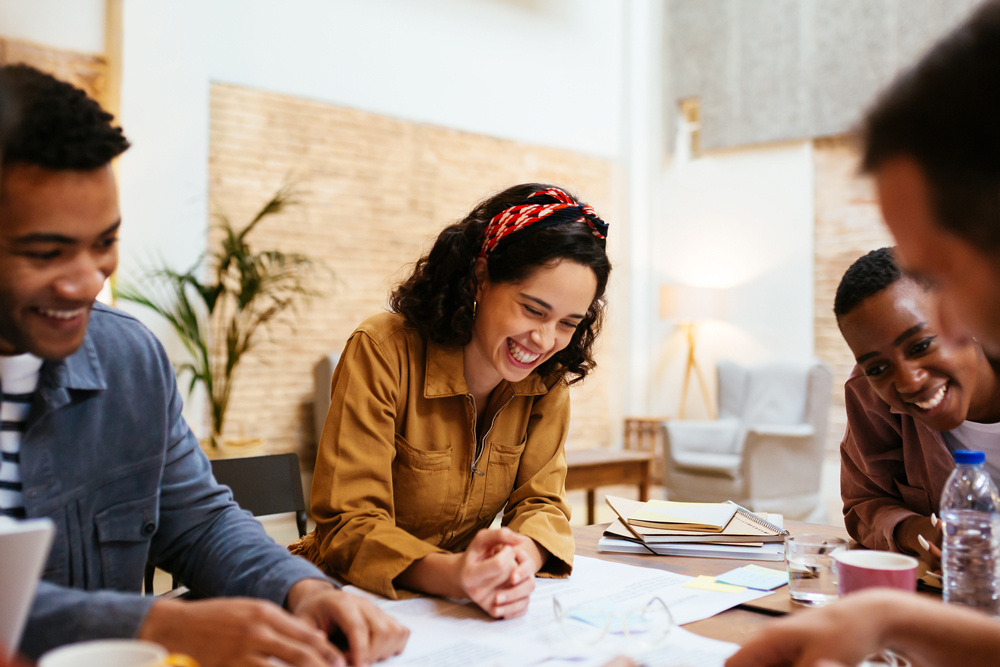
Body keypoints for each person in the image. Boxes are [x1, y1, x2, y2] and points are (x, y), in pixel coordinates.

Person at [0, 65, 407, 666]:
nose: (87, 282)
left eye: (105, 242)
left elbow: (199, 522)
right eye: (46, 252)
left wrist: (300, 589)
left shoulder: (129, 362)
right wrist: (160, 625)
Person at [727, 2, 1000, 665]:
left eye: (947, 269)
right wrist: (886, 615)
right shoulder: (877, 394)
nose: (950, 322)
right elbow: (863, 502)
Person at [291, 183, 611, 619]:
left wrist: (524, 556)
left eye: (568, 323)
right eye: (533, 310)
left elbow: (541, 502)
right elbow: (349, 525)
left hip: (458, 602)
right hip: (347, 596)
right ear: (481, 276)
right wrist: (455, 574)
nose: (544, 340)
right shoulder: (384, 350)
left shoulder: (546, 379)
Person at [834, 247, 1000, 563]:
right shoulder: (869, 395)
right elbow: (864, 503)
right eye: (877, 368)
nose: (909, 382)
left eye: (921, 345)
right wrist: (919, 533)